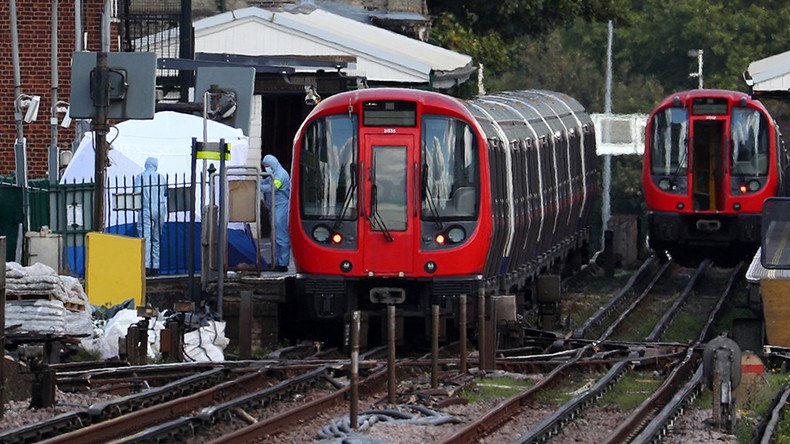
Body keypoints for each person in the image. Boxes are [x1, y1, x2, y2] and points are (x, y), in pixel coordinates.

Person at [134, 157, 168, 275]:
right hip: (159, 207)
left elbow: (137, 192)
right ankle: (156, 265)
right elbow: (165, 193)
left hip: (145, 207)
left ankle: (146, 265)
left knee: (145, 237)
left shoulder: (140, 177)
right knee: (156, 238)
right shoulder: (161, 177)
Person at [260, 154, 291, 272]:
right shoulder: (273, 174)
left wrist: (259, 186)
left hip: (281, 208)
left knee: (281, 236)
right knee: (274, 236)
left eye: (267, 166)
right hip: (274, 208)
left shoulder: (281, 175)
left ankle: (283, 263)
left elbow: (273, 187)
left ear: (273, 164)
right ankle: (276, 261)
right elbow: (265, 182)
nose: (266, 168)